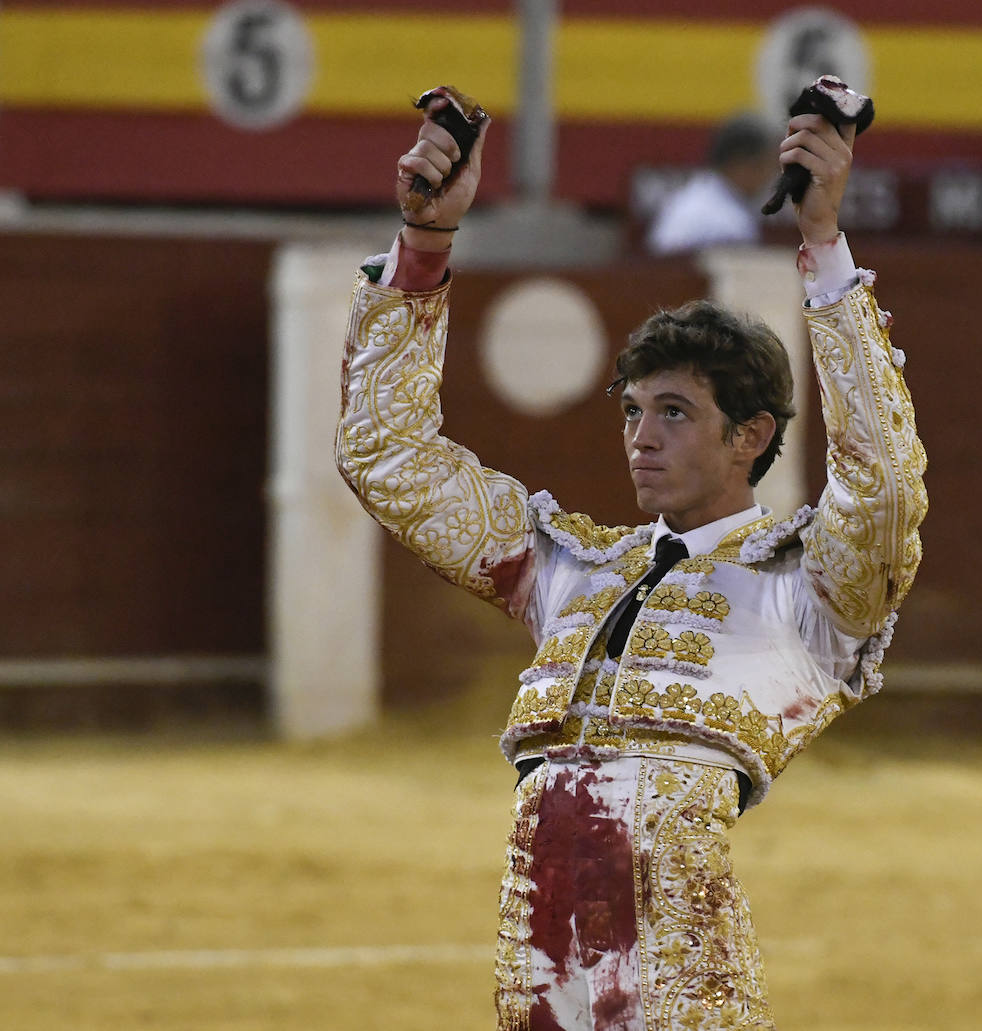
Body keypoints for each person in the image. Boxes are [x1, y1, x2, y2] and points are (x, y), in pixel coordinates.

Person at [335, 91, 926, 1030]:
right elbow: (385, 455)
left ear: (751, 435)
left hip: (681, 982)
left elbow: (885, 486)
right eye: (632, 411)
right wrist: (424, 242)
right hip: (540, 978)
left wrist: (823, 245)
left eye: (674, 413)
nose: (641, 439)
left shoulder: (805, 590)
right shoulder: (571, 568)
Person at [645, 113, 780, 255]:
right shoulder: (726, 222)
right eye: (769, 166)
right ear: (744, 165)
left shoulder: (694, 195)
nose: (771, 177)